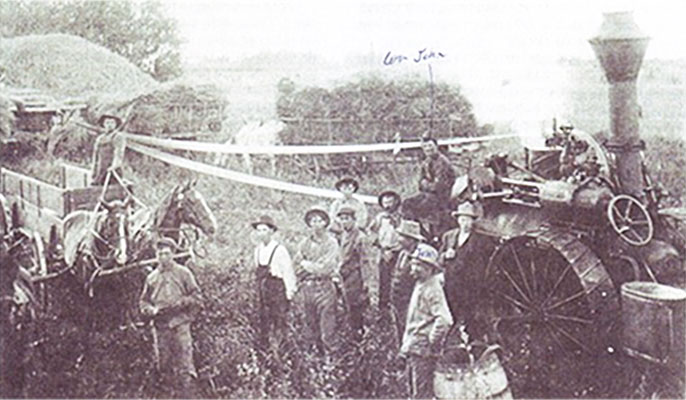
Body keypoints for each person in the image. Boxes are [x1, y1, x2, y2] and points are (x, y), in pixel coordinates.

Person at [139, 237, 203, 398]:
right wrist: (151, 310)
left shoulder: (183, 273)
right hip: (160, 327)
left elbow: (197, 297)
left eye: (167, 254)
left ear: (173, 254)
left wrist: (181, 303)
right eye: (160, 254)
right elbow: (143, 301)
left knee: (186, 367)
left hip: (180, 325)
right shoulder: (151, 277)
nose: (163, 257)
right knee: (163, 366)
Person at [400, 243, 453, 399]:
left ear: (430, 269)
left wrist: (432, 341)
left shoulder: (432, 288)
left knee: (421, 394)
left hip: (421, 349)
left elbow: (445, 320)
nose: (414, 268)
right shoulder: (420, 283)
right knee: (413, 390)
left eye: (419, 265)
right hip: (413, 346)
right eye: (414, 263)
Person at [439, 201, 491, 342]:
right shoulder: (448, 236)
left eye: (468, 220)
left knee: (470, 316)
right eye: (462, 219)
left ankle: (473, 345)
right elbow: (439, 259)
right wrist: (445, 255)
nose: (465, 223)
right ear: (457, 220)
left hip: (470, 285)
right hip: (451, 282)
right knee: (450, 313)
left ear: (473, 221)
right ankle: (450, 344)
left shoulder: (480, 240)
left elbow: (484, 263)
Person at [293, 205, 341, 355]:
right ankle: (313, 360)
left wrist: (306, 264)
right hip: (308, 288)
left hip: (325, 287)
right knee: (309, 327)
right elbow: (296, 266)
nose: (316, 224)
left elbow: (326, 268)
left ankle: (331, 363)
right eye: (313, 221)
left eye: (320, 220)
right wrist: (307, 266)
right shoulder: (304, 243)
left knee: (328, 328)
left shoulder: (331, 243)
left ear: (326, 222)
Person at [251, 215, 297, 349]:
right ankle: (265, 350)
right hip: (262, 289)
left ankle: (281, 351)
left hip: (277, 290)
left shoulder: (279, 250)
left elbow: (288, 272)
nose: (261, 234)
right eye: (258, 230)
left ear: (271, 231)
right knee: (264, 320)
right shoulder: (257, 250)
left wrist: (289, 294)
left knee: (279, 321)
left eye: (264, 230)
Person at [401, 137, 456, 228]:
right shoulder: (426, 162)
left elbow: (439, 186)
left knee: (417, 208)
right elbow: (419, 183)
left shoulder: (442, 162)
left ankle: (423, 233)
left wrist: (425, 184)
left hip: (442, 197)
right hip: (428, 194)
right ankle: (417, 231)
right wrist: (426, 184)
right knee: (406, 203)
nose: (428, 149)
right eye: (425, 146)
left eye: (430, 146)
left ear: (436, 146)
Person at [335, 205, 369, 341]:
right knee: (345, 304)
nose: (344, 222)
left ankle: (358, 335)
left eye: (347, 219)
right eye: (342, 219)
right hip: (344, 275)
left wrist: (366, 281)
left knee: (356, 305)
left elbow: (364, 261)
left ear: (354, 220)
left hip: (355, 276)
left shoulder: (360, 237)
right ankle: (350, 332)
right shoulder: (344, 234)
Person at [390, 219, 426, 341]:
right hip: (398, 299)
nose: (399, 239)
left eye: (402, 237)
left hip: (411, 300)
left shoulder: (420, 256)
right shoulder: (402, 253)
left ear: (411, 240)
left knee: (411, 329)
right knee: (399, 328)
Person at [367, 190, 402, 311]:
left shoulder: (400, 217)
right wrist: (378, 244)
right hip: (383, 251)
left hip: (397, 251)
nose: (388, 205)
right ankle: (383, 305)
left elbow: (404, 234)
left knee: (397, 277)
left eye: (390, 202)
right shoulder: (380, 217)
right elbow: (371, 231)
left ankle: (396, 304)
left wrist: (395, 249)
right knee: (384, 278)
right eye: (385, 202)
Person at [91, 114, 126, 185]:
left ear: (116, 124)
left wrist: (114, 166)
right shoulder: (100, 139)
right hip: (100, 171)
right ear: (103, 124)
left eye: (112, 122)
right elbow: (96, 157)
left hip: (112, 172)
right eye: (107, 123)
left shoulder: (118, 137)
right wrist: (94, 172)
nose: (110, 125)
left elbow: (119, 153)